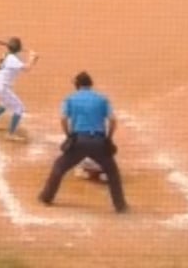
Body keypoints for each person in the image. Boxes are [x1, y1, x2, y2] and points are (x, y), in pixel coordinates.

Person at [37, 71, 128, 213]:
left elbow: (63, 119)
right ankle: (120, 205)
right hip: (98, 141)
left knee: (59, 167)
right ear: (90, 84)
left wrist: (69, 136)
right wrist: (108, 138)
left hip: (79, 141)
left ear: (77, 85)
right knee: (112, 172)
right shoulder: (102, 98)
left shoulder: (70, 99)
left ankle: (46, 197)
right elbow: (113, 120)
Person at [0, 35, 37, 140]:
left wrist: (27, 52)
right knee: (19, 108)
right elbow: (27, 68)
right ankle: (10, 134)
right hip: (0, 86)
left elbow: (17, 51)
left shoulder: (7, 54)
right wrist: (33, 58)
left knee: (5, 103)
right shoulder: (12, 59)